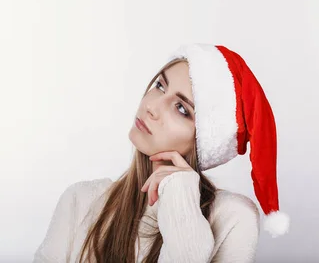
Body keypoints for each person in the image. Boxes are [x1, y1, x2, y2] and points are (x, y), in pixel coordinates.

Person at [33, 43, 290, 263]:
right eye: (159, 85)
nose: (152, 106)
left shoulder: (233, 217)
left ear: (203, 141)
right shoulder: (80, 200)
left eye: (181, 108)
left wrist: (179, 197)